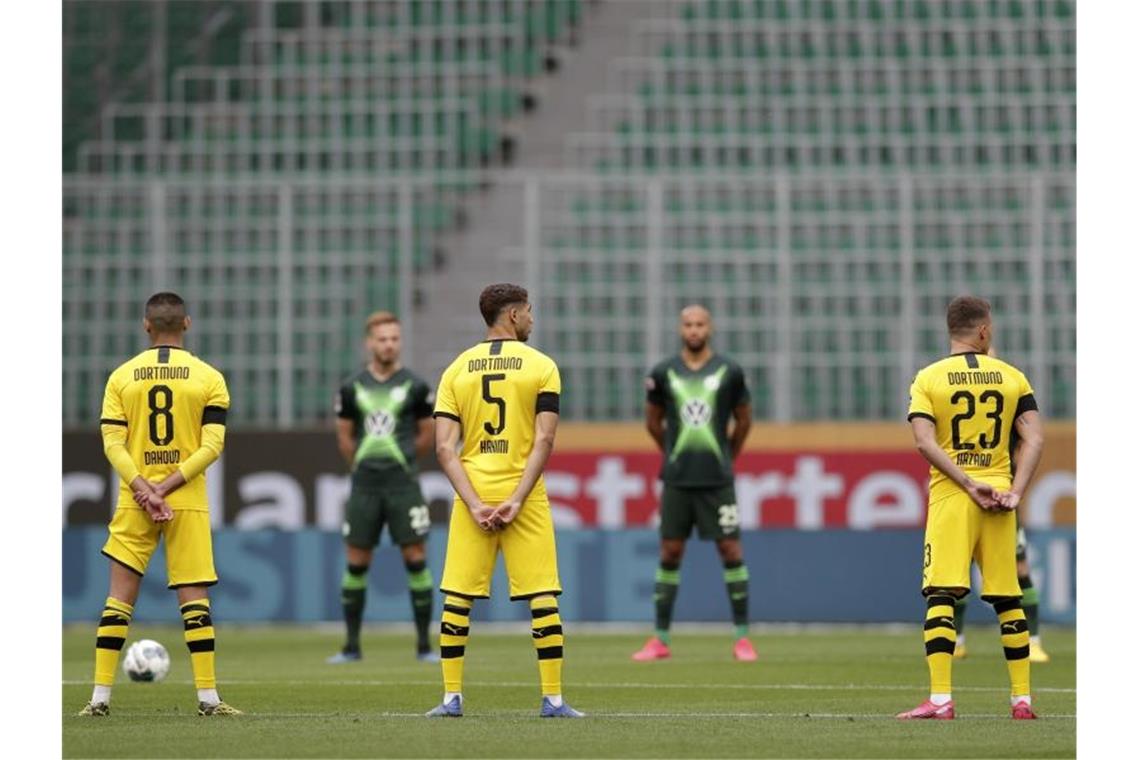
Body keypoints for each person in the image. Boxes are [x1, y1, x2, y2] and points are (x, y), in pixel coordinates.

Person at [425, 283, 583, 718]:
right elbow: (545, 438)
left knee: (458, 597)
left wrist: (476, 503)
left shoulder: (456, 369)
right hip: (524, 493)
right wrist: (516, 498)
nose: (532, 319)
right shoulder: (542, 366)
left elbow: (443, 449)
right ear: (513, 316)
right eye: (529, 311)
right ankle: (552, 700)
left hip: (473, 490)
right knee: (542, 596)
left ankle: (450, 698)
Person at [79, 292, 240, 716]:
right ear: (186, 323)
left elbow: (112, 442)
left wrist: (144, 488)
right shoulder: (209, 378)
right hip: (185, 498)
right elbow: (213, 446)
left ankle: (99, 699)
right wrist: (167, 487)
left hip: (135, 500)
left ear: (146, 325)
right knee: (194, 597)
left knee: (118, 599)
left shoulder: (121, 377)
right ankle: (208, 699)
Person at [898, 296, 1044, 721]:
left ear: (951, 330)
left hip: (953, 497)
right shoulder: (1013, 376)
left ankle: (941, 700)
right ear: (983, 331)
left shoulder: (928, 378)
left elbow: (924, 441)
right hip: (999, 498)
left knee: (941, 595)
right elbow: (1034, 439)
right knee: (1007, 598)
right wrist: (1015, 492)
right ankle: (1022, 701)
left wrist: (965, 481)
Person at [631, 305, 755, 662]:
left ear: (710, 328)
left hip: (718, 480)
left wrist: (728, 455)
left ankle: (742, 638)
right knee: (670, 552)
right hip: (678, 480)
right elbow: (653, 421)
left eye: (700, 324)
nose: (694, 330)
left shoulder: (729, 371)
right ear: (680, 328)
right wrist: (670, 452)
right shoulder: (664, 372)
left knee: (731, 551)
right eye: (688, 324)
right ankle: (660, 639)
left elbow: (744, 420)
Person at [327, 311, 438, 664]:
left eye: (394, 338)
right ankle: (351, 646)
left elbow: (427, 434)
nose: (388, 344)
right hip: (365, 487)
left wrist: (404, 461)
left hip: (403, 484)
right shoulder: (352, 386)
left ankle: (424, 646)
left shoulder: (417, 386)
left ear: (399, 341)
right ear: (369, 343)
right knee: (357, 561)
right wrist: (362, 465)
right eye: (382, 338)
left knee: (416, 558)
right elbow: (344, 437)